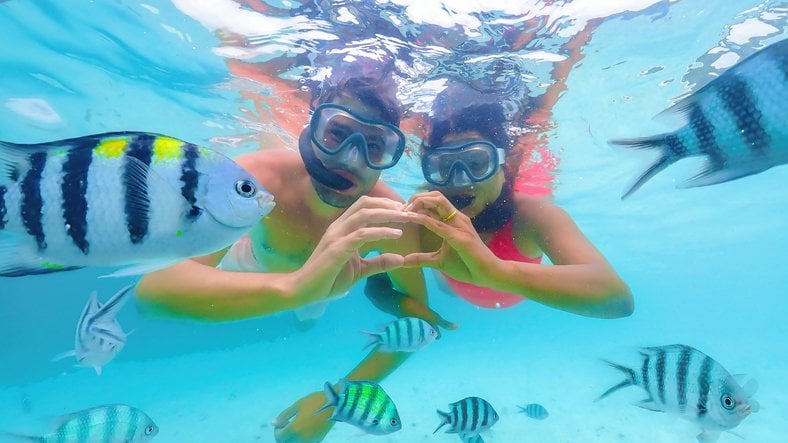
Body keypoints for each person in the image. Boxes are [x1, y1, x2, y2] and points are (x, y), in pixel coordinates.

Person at [135, 57, 455, 442]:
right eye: (338, 134)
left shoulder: (389, 217)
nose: (350, 159)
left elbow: (417, 323)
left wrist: (331, 404)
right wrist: (295, 288)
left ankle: (303, 317)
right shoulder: (259, 177)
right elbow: (152, 292)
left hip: (322, 291)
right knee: (301, 302)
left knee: (307, 318)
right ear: (310, 128)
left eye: (374, 146)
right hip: (252, 263)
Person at [403, 76, 634, 318]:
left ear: (508, 166)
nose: (460, 180)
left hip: (511, 286)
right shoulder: (422, 217)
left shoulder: (530, 216)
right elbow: (381, 282)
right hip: (454, 287)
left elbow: (618, 300)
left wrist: (495, 273)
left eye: (477, 162)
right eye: (444, 166)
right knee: (446, 287)